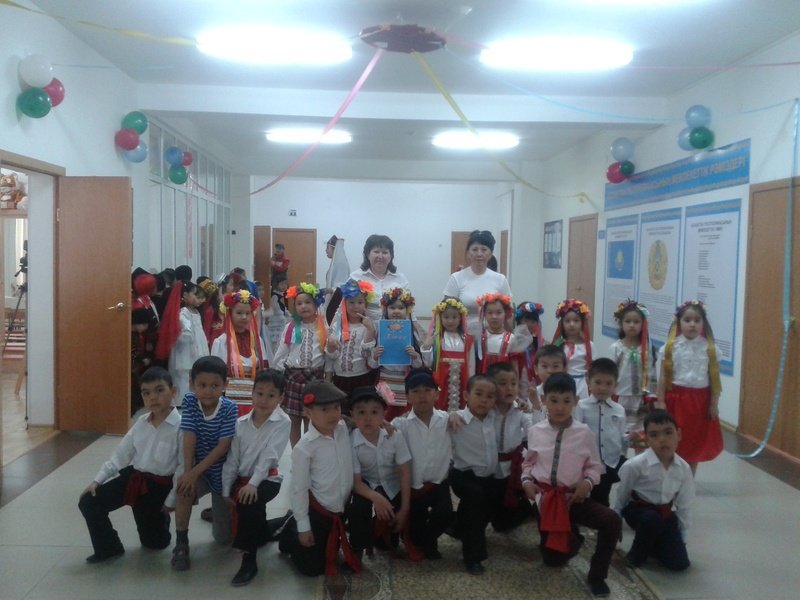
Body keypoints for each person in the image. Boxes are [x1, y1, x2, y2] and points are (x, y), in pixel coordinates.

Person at [521, 373, 622, 598]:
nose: (560, 407)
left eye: (566, 401)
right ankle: (572, 537)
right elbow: (528, 463)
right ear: (544, 400)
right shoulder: (536, 431)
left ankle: (597, 576)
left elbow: (595, 466)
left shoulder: (584, 433)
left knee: (611, 520)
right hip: (546, 501)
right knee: (553, 560)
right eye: (554, 400)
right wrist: (526, 481)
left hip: (573, 498)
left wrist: (587, 482)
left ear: (576, 401)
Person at [78, 367, 181, 564]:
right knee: (89, 502)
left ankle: (161, 522)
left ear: (173, 391)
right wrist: (97, 481)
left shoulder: (181, 427)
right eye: (146, 393)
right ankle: (109, 547)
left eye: (159, 390)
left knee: (154, 543)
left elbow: (182, 469)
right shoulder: (141, 422)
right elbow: (120, 456)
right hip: (134, 478)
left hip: (159, 488)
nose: (153, 397)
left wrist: (171, 499)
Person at [278, 381, 361, 577]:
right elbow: (299, 489)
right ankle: (291, 531)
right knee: (312, 569)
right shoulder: (304, 448)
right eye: (324, 409)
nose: (333, 414)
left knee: (329, 550)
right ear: (307, 412)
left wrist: (385, 425)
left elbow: (364, 424)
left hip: (341, 507)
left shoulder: (343, 428)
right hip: (318, 511)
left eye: (336, 407)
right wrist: (303, 527)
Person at [221, 369, 291, 586]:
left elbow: (269, 457)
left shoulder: (283, 421)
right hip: (243, 479)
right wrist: (225, 490)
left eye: (271, 395)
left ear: (280, 398)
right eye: (259, 393)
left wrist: (252, 484)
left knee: (248, 502)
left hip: (268, 479)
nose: (264, 400)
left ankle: (248, 561)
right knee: (254, 519)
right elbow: (232, 459)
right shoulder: (241, 423)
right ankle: (283, 522)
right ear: (252, 394)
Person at [169, 356, 238, 571]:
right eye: (202, 385)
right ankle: (181, 543)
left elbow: (223, 447)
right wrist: (188, 473)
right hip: (198, 470)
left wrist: (193, 472)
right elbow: (189, 436)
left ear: (225, 385)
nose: (208, 391)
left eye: (215, 386)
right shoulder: (190, 400)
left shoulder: (230, 408)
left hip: (221, 473)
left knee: (223, 539)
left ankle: (215, 512)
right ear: (192, 384)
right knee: (183, 490)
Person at [613, 409, 694, 571]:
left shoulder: (684, 468)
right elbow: (621, 496)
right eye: (654, 435)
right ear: (647, 439)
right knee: (651, 519)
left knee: (680, 564)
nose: (662, 439)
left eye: (668, 433)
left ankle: (653, 545)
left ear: (679, 434)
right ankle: (636, 555)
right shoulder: (635, 465)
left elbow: (684, 505)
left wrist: (682, 538)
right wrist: (614, 525)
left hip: (665, 513)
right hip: (638, 511)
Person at [391, 369, 454, 560]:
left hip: (438, 483)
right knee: (415, 530)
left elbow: (469, 415)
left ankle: (429, 540)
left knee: (445, 513)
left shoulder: (447, 420)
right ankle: (422, 541)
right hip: (413, 486)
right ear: (408, 396)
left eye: (427, 390)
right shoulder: (400, 424)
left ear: (436, 394)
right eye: (416, 391)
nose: (422, 396)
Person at [656, 300, 723, 474]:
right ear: (679, 323)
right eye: (687, 320)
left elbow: (715, 380)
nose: (692, 324)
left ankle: (689, 479)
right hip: (676, 400)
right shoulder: (670, 347)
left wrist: (714, 404)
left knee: (695, 442)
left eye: (697, 320)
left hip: (700, 402)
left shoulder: (711, 349)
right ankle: (668, 475)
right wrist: (661, 400)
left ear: (703, 323)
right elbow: (663, 377)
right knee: (673, 439)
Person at [348, 386, 412, 557]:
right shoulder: (351, 440)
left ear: (384, 413)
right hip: (366, 485)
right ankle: (357, 547)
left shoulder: (394, 435)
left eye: (375, 412)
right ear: (352, 415)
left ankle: (381, 533)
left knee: (388, 543)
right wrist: (376, 497)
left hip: (392, 484)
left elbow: (404, 472)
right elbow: (356, 482)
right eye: (361, 412)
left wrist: (404, 509)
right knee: (359, 507)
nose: (368, 418)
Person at [272, 282, 328, 447]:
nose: (303, 306)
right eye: (299, 303)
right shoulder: (290, 327)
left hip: (315, 377)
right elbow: (282, 351)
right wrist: (279, 369)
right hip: (294, 377)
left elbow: (328, 353)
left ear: (316, 304)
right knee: (294, 419)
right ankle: (297, 451)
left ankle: (309, 451)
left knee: (311, 418)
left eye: (308, 302)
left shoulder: (323, 327)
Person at [485, 362, 535, 529]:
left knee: (502, 524)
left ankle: (524, 508)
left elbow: (533, 431)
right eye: (503, 384)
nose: (509, 388)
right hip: (490, 465)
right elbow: (467, 415)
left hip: (514, 466)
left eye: (513, 383)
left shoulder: (520, 410)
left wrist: (532, 409)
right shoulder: (485, 409)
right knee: (490, 503)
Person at [574, 358, 627, 507]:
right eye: (598, 382)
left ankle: (603, 515)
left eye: (608, 383)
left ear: (616, 385)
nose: (603, 388)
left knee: (602, 496)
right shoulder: (581, 406)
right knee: (584, 495)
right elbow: (576, 433)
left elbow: (622, 436)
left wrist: (632, 438)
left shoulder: (619, 410)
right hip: (587, 462)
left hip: (610, 461)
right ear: (588, 381)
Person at [442, 230, 512, 339]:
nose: (479, 254)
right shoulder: (456, 278)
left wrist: (509, 338)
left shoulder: (500, 279)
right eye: (474, 249)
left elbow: (508, 313)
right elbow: (445, 311)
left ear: (490, 253)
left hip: (493, 338)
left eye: (484, 249)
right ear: (468, 253)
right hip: (462, 338)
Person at [211, 289, 269, 416]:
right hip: (228, 400)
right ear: (229, 313)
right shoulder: (220, 342)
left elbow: (263, 370)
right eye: (239, 313)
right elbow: (215, 375)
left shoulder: (257, 341)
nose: (244, 317)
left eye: (248, 313)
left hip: (254, 399)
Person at [368, 287, 423, 420]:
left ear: (407, 310)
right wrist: (375, 356)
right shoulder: (379, 331)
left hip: (405, 381)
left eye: (401, 308)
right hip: (385, 381)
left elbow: (418, 365)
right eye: (392, 308)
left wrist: (414, 356)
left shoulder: (412, 332)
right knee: (385, 414)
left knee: (405, 416)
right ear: (385, 310)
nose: (396, 311)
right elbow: (372, 365)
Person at [610, 299, 656, 454]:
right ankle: (620, 464)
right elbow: (610, 372)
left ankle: (639, 465)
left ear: (643, 324)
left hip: (641, 400)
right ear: (621, 324)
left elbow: (652, 373)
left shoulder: (648, 348)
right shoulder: (616, 348)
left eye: (636, 322)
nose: (632, 325)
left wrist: (652, 397)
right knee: (620, 437)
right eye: (628, 321)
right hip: (620, 397)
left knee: (640, 440)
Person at [325, 279, 377, 396]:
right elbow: (332, 356)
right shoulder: (337, 326)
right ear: (344, 304)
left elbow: (366, 355)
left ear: (365, 305)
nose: (355, 306)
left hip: (362, 378)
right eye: (351, 302)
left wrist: (370, 331)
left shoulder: (368, 326)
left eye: (360, 302)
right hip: (339, 379)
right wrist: (331, 345)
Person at [421, 297, 474, 412]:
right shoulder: (437, 339)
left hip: (463, 381)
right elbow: (429, 363)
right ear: (440, 318)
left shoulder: (468, 340)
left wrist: (471, 385)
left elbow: (471, 366)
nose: (450, 321)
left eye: (454, 317)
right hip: (441, 381)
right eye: (446, 317)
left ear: (461, 318)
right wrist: (426, 347)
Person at [350, 234, 411, 321]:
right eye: (376, 252)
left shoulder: (400, 278)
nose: (380, 256)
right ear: (368, 254)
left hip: (394, 326)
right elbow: (344, 306)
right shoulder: (356, 277)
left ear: (391, 256)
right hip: (364, 325)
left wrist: (415, 325)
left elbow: (409, 306)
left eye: (385, 252)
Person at [475, 292, 532, 374]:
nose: (494, 316)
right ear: (484, 314)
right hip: (483, 379)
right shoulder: (479, 337)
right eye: (490, 313)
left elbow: (515, 367)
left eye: (499, 313)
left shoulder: (512, 339)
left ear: (506, 313)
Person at [551, 298, 594, 399]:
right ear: (562, 323)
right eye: (567, 321)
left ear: (582, 323)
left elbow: (593, 368)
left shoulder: (589, 346)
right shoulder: (558, 344)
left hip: (582, 385)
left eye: (576, 320)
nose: (572, 324)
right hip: (562, 383)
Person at [514, 301, 545, 405]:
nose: (530, 324)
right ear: (519, 320)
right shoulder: (513, 339)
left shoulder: (539, 340)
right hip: (520, 375)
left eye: (533, 320)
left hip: (534, 376)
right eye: (526, 320)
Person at [529, 344, 568, 420]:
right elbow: (531, 425)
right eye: (544, 366)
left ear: (564, 369)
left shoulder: (569, 394)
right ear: (536, 369)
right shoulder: (533, 394)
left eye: (555, 366)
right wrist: (536, 405)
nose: (550, 371)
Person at [323, 235, 351, 316]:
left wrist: (331, 290)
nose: (326, 250)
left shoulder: (341, 264)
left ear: (334, 249)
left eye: (327, 248)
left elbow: (343, 284)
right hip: (332, 297)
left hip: (337, 300)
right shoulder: (335, 263)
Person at [197, 277, 224, 349]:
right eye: (222, 293)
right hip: (214, 343)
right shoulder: (210, 311)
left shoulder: (223, 308)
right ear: (217, 295)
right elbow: (207, 329)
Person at [265, 275, 289, 353]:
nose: (284, 286)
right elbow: (271, 311)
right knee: (276, 348)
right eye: (282, 284)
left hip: (281, 325)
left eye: (285, 283)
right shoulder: (275, 296)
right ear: (276, 284)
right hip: (275, 327)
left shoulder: (282, 296)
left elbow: (285, 310)